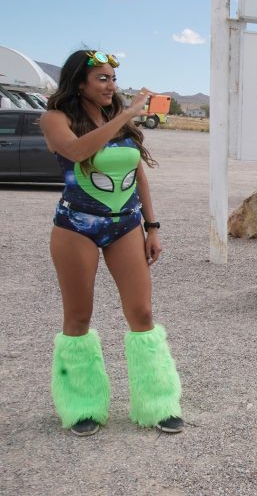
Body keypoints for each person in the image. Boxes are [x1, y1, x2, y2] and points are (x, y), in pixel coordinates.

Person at [39, 50, 183, 437]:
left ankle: (158, 402)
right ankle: (81, 406)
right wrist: (123, 116)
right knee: (79, 316)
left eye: (113, 79)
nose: (111, 86)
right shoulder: (56, 119)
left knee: (142, 313)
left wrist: (152, 227)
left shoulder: (119, 120)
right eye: (102, 79)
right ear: (79, 82)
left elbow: (139, 176)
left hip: (126, 227)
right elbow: (76, 151)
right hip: (75, 228)